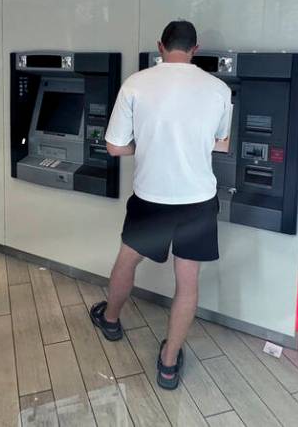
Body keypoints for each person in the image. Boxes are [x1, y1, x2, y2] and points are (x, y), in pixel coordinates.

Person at [88, 20, 232, 390]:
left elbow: (115, 147)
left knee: (127, 262)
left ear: (160, 46)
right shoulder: (218, 89)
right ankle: (169, 364)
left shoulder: (136, 84)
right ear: (195, 49)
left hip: (151, 200)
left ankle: (112, 319)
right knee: (187, 284)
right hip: (198, 202)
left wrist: (147, 145)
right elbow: (222, 144)